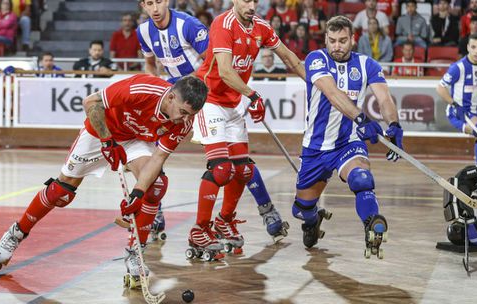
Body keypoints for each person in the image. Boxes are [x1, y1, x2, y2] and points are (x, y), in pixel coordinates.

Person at [0, 75, 208, 283]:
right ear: (170, 97)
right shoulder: (141, 89)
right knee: (62, 193)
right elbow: (91, 102)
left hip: (135, 140)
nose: (186, 119)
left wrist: (137, 194)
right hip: (101, 131)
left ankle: (135, 253)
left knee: (156, 186)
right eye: (183, 112)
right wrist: (107, 141)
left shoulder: (184, 122)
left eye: (191, 114)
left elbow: (158, 157)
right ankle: (17, 232)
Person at [138, 0, 291, 242]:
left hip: (203, 93)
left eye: (158, 2)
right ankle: (154, 208)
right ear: (142, 6)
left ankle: (262, 210)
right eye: (149, 3)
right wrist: (158, 91)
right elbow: (149, 65)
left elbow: (215, 62)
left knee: (236, 166)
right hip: (173, 95)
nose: (155, 9)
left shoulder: (188, 25)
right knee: (151, 147)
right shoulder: (144, 31)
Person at [190, 0, 306, 258]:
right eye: (245, 0)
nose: (251, 5)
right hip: (209, 100)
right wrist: (252, 96)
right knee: (221, 169)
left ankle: (224, 220)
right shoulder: (223, 24)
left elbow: (289, 57)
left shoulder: (261, 28)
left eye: (255, 0)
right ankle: (200, 230)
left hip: (233, 103)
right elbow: (226, 71)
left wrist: (317, 84)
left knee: (243, 169)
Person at [296, 15, 403, 259]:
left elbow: (384, 98)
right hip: (315, 147)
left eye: (343, 40)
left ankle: (371, 226)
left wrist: (394, 124)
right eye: (332, 40)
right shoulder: (316, 58)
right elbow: (332, 93)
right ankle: (312, 221)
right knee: (301, 208)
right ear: (325, 39)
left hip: (348, 142)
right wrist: (361, 118)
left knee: (362, 179)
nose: (337, 46)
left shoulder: (367, 65)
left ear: (353, 39)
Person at [437, 33, 477, 165]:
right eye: (473, 47)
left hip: (475, 112)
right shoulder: (458, 68)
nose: (476, 51)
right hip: (458, 112)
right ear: (468, 47)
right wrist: (454, 104)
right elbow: (440, 88)